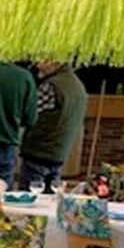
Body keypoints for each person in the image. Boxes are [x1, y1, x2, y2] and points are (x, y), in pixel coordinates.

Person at [17, 62, 88, 192]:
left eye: (43, 61)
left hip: (39, 151)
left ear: (55, 62)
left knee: (28, 200)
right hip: (59, 153)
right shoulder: (77, 86)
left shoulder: (52, 85)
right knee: (49, 201)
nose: (37, 65)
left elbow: (27, 113)